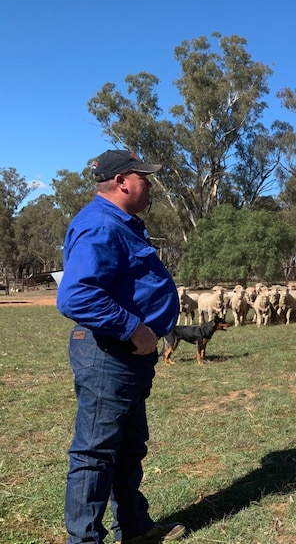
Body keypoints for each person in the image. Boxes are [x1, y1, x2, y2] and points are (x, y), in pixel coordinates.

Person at [57, 150, 184, 544]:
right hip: (107, 354)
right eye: (144, 177)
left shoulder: (122, 224)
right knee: (95, 453)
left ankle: (134, 528)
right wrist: (134, 327)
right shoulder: (100, 225)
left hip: (125, 358)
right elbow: (76, 295)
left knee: (129, 447)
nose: (150, 185)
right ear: (122, 182)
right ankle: (85, 540)